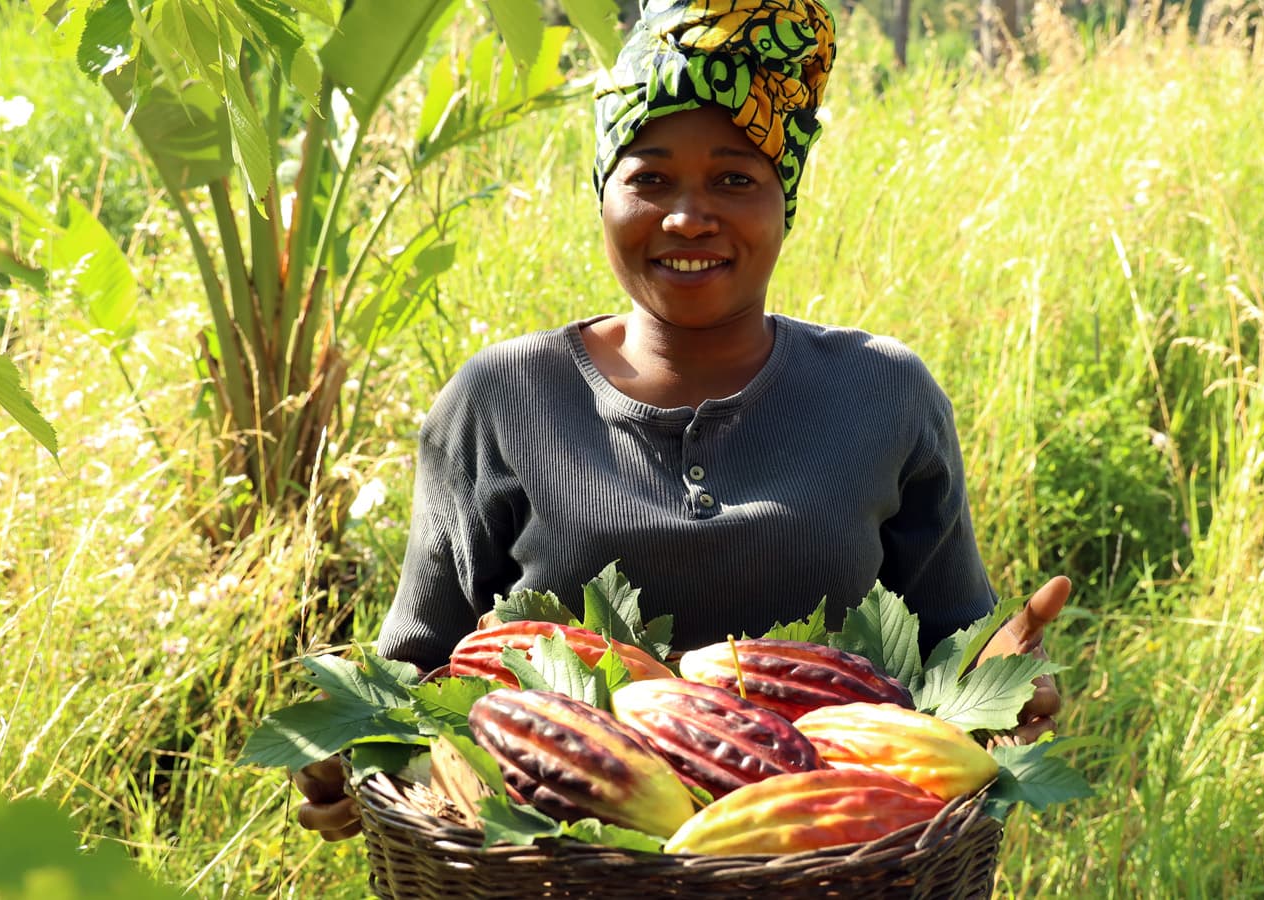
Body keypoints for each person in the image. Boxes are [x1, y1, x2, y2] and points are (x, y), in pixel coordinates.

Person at [293, 0, 1069, 842]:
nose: (687, 216)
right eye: (649, 177)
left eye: (736, 178)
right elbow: (418, 669)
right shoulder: (504, 398)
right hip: (554, 873)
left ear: (785, 199)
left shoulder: (881, 391)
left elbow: (957, 653)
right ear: (603, 192)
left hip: (828, 855)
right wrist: (348, 754)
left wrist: (1004, 682)